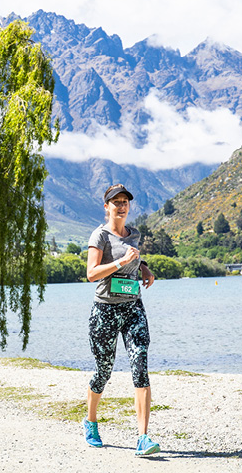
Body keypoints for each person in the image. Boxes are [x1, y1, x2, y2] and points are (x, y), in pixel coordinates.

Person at [82, 183, 160, 456]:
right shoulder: (100, 235)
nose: (121, 206)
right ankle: (91, 421)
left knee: (140, 366)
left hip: (133, 308)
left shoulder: (134, 234)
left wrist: (144, 268)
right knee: (104, 371)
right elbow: (91, 273)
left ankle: (143, 438)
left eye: (125, 201)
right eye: (116, 202)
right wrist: (120, 262)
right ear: (107, 207)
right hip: (105, 310)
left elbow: (132, 257)